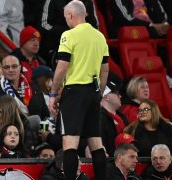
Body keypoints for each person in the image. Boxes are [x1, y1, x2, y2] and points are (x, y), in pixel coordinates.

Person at [48, 1, 109, 179]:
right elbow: (104, 70)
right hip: (93, 92)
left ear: (70, 16)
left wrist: (53, 93)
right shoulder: (100, 36)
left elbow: (61, 67)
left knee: (70, 142)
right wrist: (99, 93)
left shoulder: (69, 35)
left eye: (66, 16)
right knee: (96, 142)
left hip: (74, 91)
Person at [0, 55, 49, 122]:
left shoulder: (35, 89)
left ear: (20, 67)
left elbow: (45, 116)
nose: (11, 70)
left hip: (35, 132)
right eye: (7, 67)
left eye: (14, 66)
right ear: (2, 70)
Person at [101, 81, 129, 156]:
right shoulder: (98, 118)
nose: (120, 96)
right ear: (106, 97)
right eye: (117, 93)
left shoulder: (123, 116)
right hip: (111, 160)